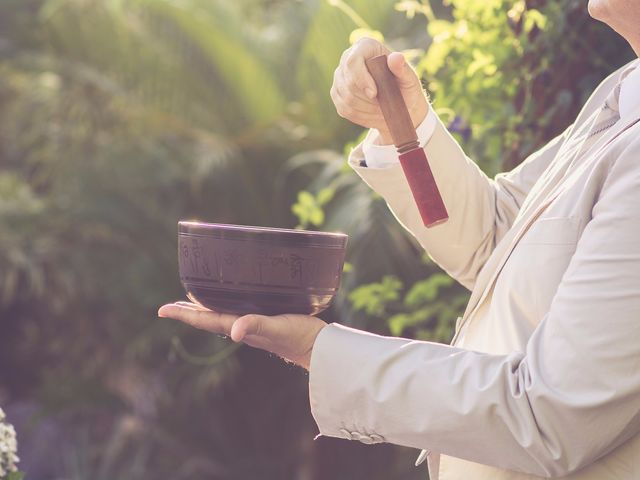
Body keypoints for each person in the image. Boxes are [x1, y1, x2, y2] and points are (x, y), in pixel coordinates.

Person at [158, 1, 640, 478]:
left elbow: (550, 415)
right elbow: (500, 238)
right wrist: (399, 125)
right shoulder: (620, 93)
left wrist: (320, 351)